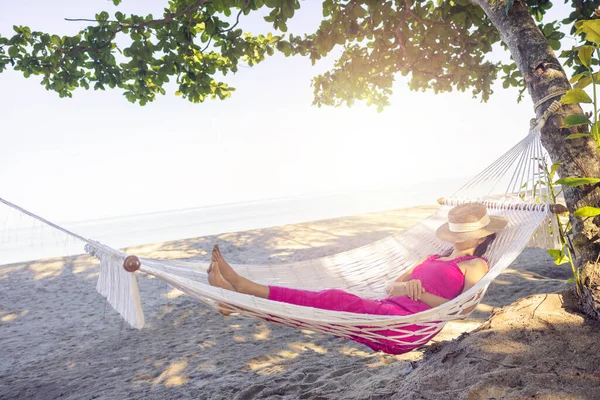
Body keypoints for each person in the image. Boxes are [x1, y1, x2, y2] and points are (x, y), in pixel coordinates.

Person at [207, 203, 507, 354]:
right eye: (459, 233)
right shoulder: (432, 258)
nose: (464, 239)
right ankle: (236, 304)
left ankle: (246, 289)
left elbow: (463, 309)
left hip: (408, 327)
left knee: (336, 299)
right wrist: (404, 287)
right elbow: (392, 286)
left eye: (470, 234)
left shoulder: (475, 264)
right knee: (324, 310)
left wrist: (420, 296)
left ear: (482, 237)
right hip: (388, 311)